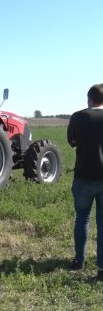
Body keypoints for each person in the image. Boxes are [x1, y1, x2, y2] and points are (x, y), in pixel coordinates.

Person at [67, 83, 103, 281]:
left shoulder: (78, 117)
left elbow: (71, 142)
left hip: (83, 177)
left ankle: (79, 261)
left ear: (89, 99)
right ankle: (102, 269)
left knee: (82, 219)